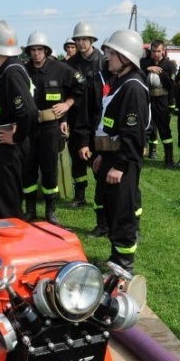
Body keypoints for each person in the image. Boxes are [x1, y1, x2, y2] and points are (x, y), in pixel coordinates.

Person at [91, 30, 149, 274]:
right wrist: (104, 155)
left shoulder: (133, 87)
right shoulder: (121, 83)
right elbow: (113, 127)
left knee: (123, 216)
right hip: (112, 157)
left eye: (113, 53)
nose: (108, 58)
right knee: (114, 211)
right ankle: (116, 258)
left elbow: (133, 134)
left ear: (127, 57)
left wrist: (120, 165)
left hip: (122, 163)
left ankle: (124, 266)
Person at [0, 20, 36, 221]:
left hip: (7, 149)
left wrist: (16, 137)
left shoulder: (11, 72)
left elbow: (28, 112)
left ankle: (11, 248)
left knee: (6, 204)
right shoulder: (5, 70)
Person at [23, 30, 82, 225]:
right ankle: (29, 209)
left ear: (46, 51)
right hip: (29, 128)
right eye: (33, 49)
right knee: (28, 169)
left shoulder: (60, 69)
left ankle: (50, 210)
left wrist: (67, 104)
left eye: (40, 49)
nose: (36, 53)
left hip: (50, 127)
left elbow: (81, 85)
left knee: (50, 170)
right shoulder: (22, 70)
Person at [67, 21, 106, 236]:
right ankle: (79, 195)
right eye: (78, 39)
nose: (81, 43)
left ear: (92, 40)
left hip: (97, 119)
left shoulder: (103, 61)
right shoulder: (70, 63)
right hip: (76, 117)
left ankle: (102, 202)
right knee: (77, 158)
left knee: (99, 162)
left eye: (85, 39)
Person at [140, 40, 177, 166]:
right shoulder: (144, 62)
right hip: (146, 99)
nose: (156, 54)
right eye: (154, 51)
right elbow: (136, 73)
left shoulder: (169, 65)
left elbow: (172, 85)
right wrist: (147, 68)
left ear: (163, 51)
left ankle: (169, 158)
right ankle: (140, 155)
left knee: (164, 129)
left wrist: (160, 73)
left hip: (162, 99)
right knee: (143, 127)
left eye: (159, 51)